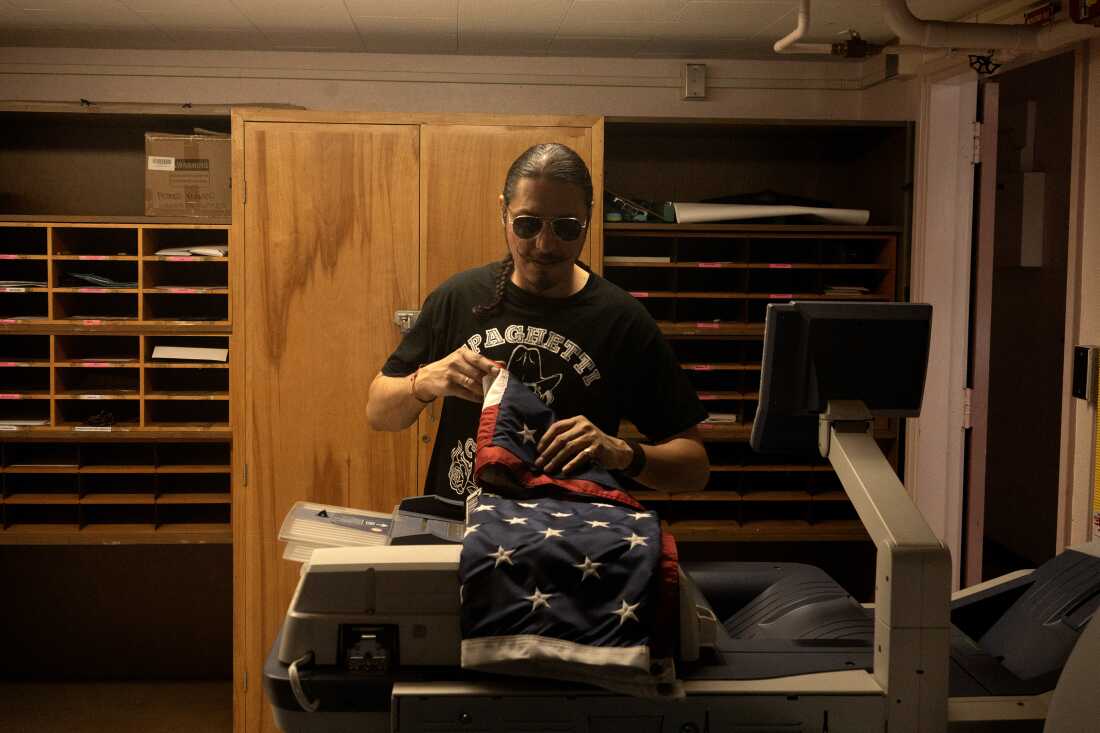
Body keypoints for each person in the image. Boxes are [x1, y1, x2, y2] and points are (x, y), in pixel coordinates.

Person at [367, 143, 709, 498]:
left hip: (566, 541)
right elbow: (378, 412)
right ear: (503, 211)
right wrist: (424, 382)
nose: (545, 244)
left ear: (588, 218)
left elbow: (694, 467)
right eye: (528, 224)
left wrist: (623, 453)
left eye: (566, 228)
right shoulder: (459, 297)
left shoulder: (621, 320)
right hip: (464, 536)